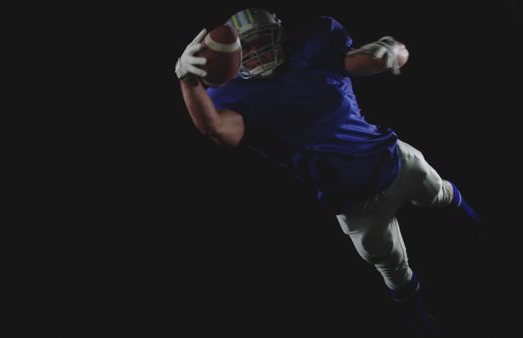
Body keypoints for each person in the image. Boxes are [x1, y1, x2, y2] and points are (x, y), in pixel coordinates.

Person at [175, 8, 480, 337]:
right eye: (246, 48)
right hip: (355, 204)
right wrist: (188, 82)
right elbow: (216, 129)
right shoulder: (229, 97)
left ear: (280, 36)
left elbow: (375, 60)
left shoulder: (314, 47)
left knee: (441, 194)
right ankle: (424, 325)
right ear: (234, 56)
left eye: (262, 41)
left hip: (393, 158)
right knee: (395, 270)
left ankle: (484, 233)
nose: (257, 52)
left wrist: (391, 51)